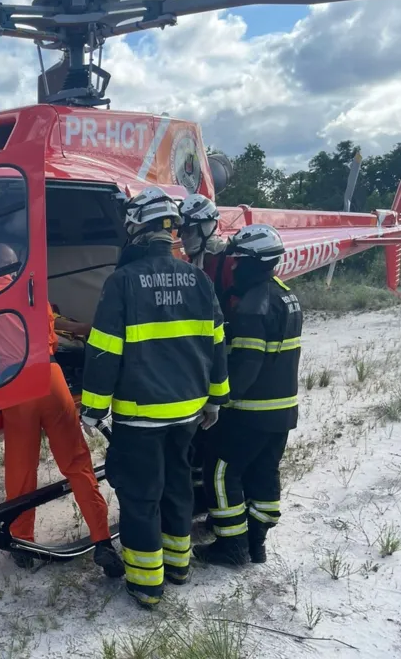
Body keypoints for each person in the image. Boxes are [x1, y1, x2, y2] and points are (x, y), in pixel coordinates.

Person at [79, 187, 230, 609]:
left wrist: (92, 409)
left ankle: (146, 585)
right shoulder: (198, 280)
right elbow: (216, 345)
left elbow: (104, 351)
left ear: (136, 229)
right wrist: (215, 400)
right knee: (178, 487)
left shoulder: (123, 282)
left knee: (142, 496)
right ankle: (178, 566)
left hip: (140, 417)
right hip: (187, 414)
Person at [0, 243, 124, 577]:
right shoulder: (32, 292)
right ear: (12, 266)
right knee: (78, 463)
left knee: (22, 470)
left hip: (14, 385)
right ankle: (102, 539)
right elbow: (52, 335)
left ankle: (22, 541)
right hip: (50, 378)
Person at [193, 224, 302, 567]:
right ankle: (256, 543)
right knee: (263, 473)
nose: (234, 268)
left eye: (240, 262)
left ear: (256, 262)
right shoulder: (286, 294)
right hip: (282, 410)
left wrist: (217, 400)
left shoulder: (254, 305)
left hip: (251, 411)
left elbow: (246, 365)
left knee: (221, 473)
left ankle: (232, 547)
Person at [178, 194, 229, 517]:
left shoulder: (225, 263)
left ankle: (217, 507)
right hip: (200, 366)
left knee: (216, 444)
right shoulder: (191, 265)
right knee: (196, 442)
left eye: (192, 229)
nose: (185, 237)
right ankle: (198, 500)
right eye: (182, 230)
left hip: (223, 362)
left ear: (209, 227)